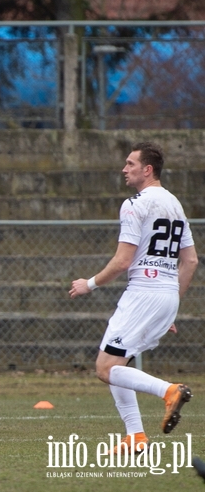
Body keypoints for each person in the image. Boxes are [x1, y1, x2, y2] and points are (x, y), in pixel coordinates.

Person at [69, 141, 198, 455]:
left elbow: (122, 261)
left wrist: (89, 283)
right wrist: (171, 308)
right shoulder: (175, 204)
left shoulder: (134, 204)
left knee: (105, 368)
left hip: (143, 293)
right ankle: (135, 436)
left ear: (147, 169)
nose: (124, 169)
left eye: (130, 164)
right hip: (166, 294)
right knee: (118, 362)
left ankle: (169, 391)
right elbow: (191, 261)